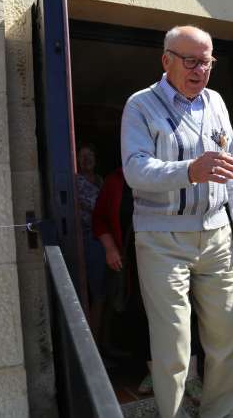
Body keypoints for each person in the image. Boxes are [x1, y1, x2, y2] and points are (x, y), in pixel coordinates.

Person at [121, 25, 233, 418]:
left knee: (227, 337)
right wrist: (189, 171)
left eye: (207, 62)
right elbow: (135, 170)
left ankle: (220, 412)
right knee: (173, 342)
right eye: (191, 61)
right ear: (166, 60)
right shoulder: (140, 105)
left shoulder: (216, 102)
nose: (200, 70)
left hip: (216, 234)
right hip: (162, 238)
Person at [92, 167, 154, 394]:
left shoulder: (162, 170)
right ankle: (154, 373)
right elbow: (99, 219)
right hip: (133, 264)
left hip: (168, 256)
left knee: (182, 311)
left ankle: (190, 375)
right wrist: (110, 248)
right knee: (141, 314)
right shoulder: (115, 181)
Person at [75, 144, 108, 347]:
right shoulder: (76, 181)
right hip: (86, 240)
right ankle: (90, 347)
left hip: (103, 240)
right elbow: (98, 206)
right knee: (92, 294)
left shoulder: (100, 180)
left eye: (91, 155)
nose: (87, 159)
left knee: (104, 296)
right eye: (83, 156)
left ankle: (101, 345)